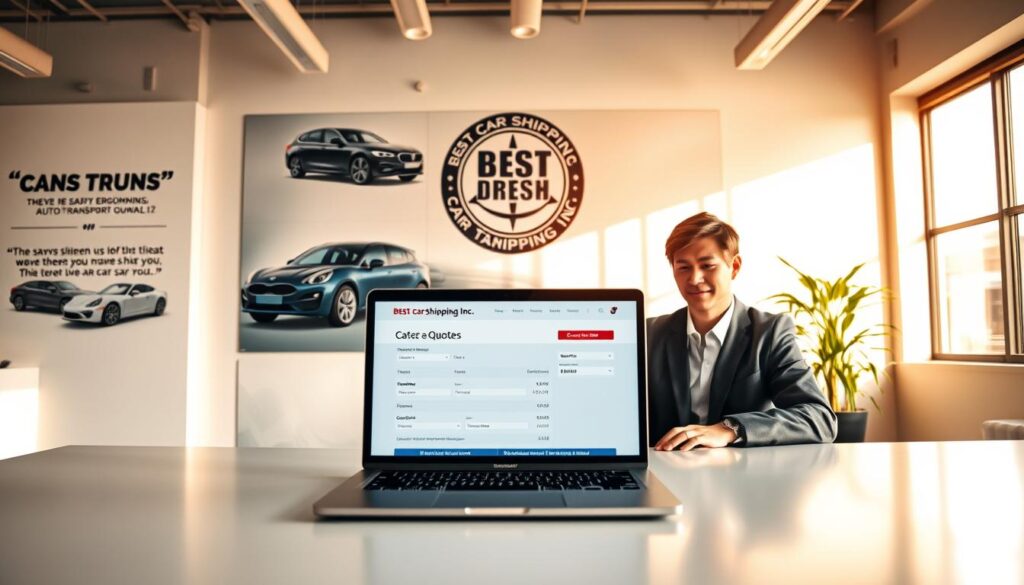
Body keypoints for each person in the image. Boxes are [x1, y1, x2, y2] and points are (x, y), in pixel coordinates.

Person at [647, 212, 837, 450]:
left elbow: (819, 418)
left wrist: (731, 429)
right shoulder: (649, 334)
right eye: (683, 267)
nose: (695, 278)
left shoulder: (770, 333)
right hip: (663, 471)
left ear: (734, 267)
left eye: (708, 266)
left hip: (742, 476)